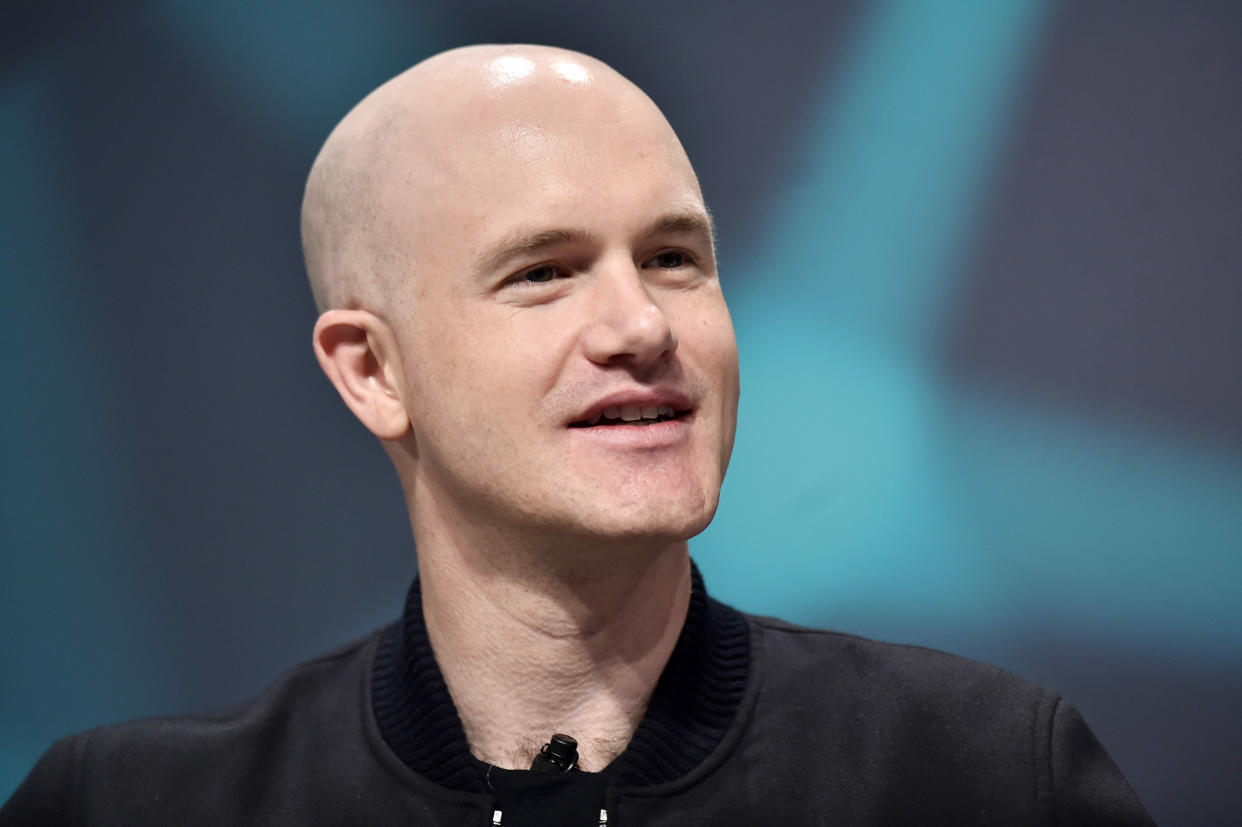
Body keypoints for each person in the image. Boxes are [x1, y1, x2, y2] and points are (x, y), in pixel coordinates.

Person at [1, 44, 1155, 826]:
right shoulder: (133, 803)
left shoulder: (986, 774)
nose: (642, 324)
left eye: (673, 258)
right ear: (373, 370)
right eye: (544, 273)